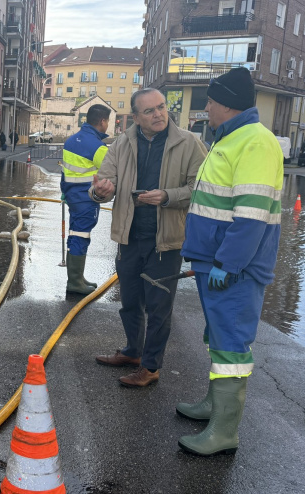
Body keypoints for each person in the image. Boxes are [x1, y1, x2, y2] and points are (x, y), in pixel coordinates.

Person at [176, 67, 283, 456]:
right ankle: (213, 406)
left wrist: (230, 262)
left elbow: (251, 214)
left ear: (225, 103)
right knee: (219, 338)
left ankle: (224, 431)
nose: (206, 106)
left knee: (232, 346)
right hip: (215, 262)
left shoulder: (254, 142)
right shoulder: (233, 139)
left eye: (209, 100)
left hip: (233, 268)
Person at [90, 89, 207, 387]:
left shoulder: (190, 143)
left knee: (158, 307)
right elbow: (106, 182)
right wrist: (99, 192)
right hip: (129, 235)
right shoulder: (121, 144)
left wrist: (168, 196)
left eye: (161, 107)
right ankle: (133, 352)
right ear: (136, 117)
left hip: (165, 240)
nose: (158, 114)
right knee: (129, 300)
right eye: (150, 111)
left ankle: (151, 367)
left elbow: (203, 189)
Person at [60, 104, 112, 295]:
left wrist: (64, 191)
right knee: (81, 236)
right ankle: (75, 282)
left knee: (75, 234)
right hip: (87, 198)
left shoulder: (70, 141)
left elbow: (65, 171)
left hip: (73, 197)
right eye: (108, 122)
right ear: (102, 121)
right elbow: (111, 172)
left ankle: (77, 278)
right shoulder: (98, 147)